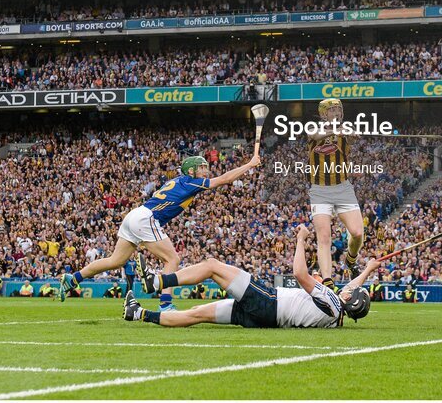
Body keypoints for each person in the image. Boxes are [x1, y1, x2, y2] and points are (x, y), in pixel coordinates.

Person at [60, 152, 262, 311]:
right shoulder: (191, 181)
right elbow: (225, 179)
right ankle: (166, 304)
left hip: (134, 215)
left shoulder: (181, 181)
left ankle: (73, 278)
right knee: (172, 260)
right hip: (146, 218)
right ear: (191, 170)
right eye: (202, 167)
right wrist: (250, 164)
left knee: (116, 261)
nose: (205, 171)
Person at [123, 225, 377, 329]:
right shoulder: (337, 316)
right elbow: (352, 290)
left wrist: (301, 240)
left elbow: (300, 273)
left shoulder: (333, 301)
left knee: (212, 265)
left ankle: (157, 282)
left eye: (351, 292)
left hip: (267, 301)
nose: (347, 288)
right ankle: (140, 314)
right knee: (197, 313)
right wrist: (367, 270)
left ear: (349, 299)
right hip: (265, 319)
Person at [307, 98, 364, 290]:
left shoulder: (345, 129)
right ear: (323, 114)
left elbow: (354, 136)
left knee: (357, 233)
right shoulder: (313, 128)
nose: (336, 113)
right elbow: (314, 136)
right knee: (324, 237)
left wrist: (351, 132)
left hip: (343, 187)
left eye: (338, 110)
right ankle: (328, 280)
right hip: (320, 190)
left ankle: (351, 259)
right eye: (332, 111)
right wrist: (335, 130)